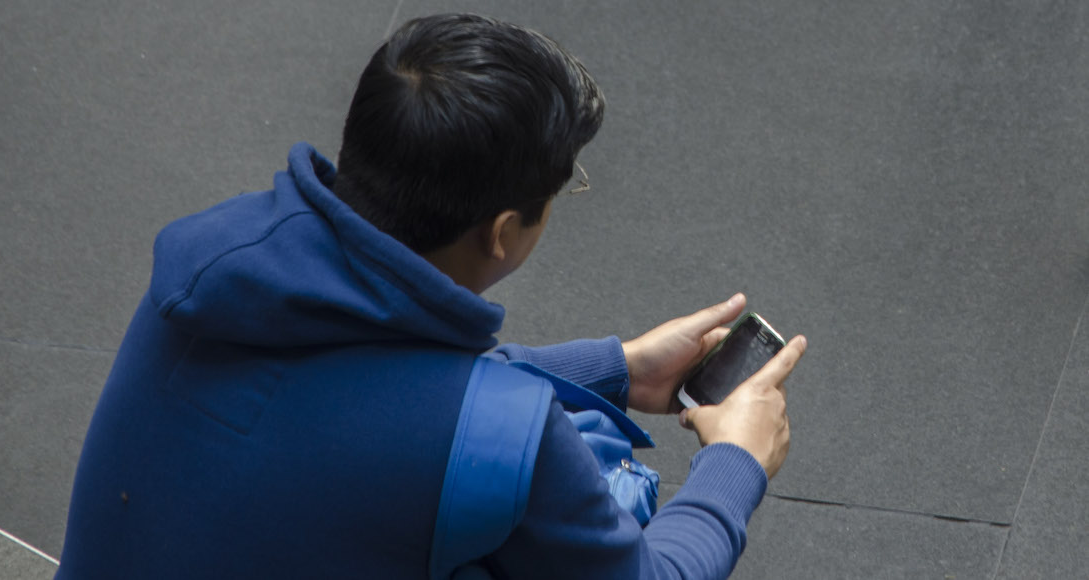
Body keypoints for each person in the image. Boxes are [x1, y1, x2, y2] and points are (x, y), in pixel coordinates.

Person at [55, 13, 805, 580]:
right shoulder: (509, 442)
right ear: (502, 231)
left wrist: (618, 369)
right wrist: (734, 461)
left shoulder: (216, 265)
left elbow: (362, 388)